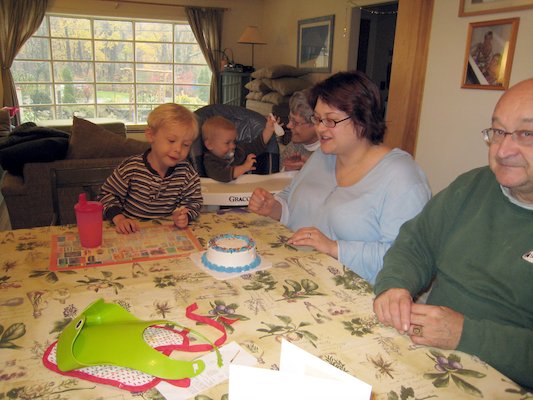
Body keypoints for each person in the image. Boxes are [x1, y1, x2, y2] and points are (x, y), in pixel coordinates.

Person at [373, 78, 533, 390]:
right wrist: (395, 286)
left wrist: (464, 334)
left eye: (526, 134)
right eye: (498, 131)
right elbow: (415, 244)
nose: (503, 150)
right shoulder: (472, 186)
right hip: (426, 354)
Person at [248, 71, 431, 284]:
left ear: (362, 119)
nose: (320, 128)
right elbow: (293, 199)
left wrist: (334, 247)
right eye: (317, 119)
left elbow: (408, 260)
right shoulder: (323, 156)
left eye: (331, 121)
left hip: (359, 297)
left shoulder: (401, 177)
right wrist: (274, 208)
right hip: (302, 277)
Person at [99, 103, 202, 234]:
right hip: (130, 232)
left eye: (186, 145)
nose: (178, 149)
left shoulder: (187, 173)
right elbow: (106, 195)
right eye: (171, 140)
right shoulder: (131, 168)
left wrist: (185, 216)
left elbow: (194, 202)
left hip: (166, 235)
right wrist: (119, 219)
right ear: (151, 135)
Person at [201, 114, 278, 182]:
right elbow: (222, 174)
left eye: (234, 141)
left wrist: (268, 130)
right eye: (227, 143)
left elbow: (256, 146)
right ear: (209, 145)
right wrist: (244, 167)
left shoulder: (238, 150)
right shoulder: (210, 161)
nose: (232, 146)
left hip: (241, 191)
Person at [280, 89, 320, 171]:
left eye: (295, 122)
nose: (288, 125)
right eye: (289, 119)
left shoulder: (330, 153)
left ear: (315, 123)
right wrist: (287, 170)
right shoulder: (292, 148)